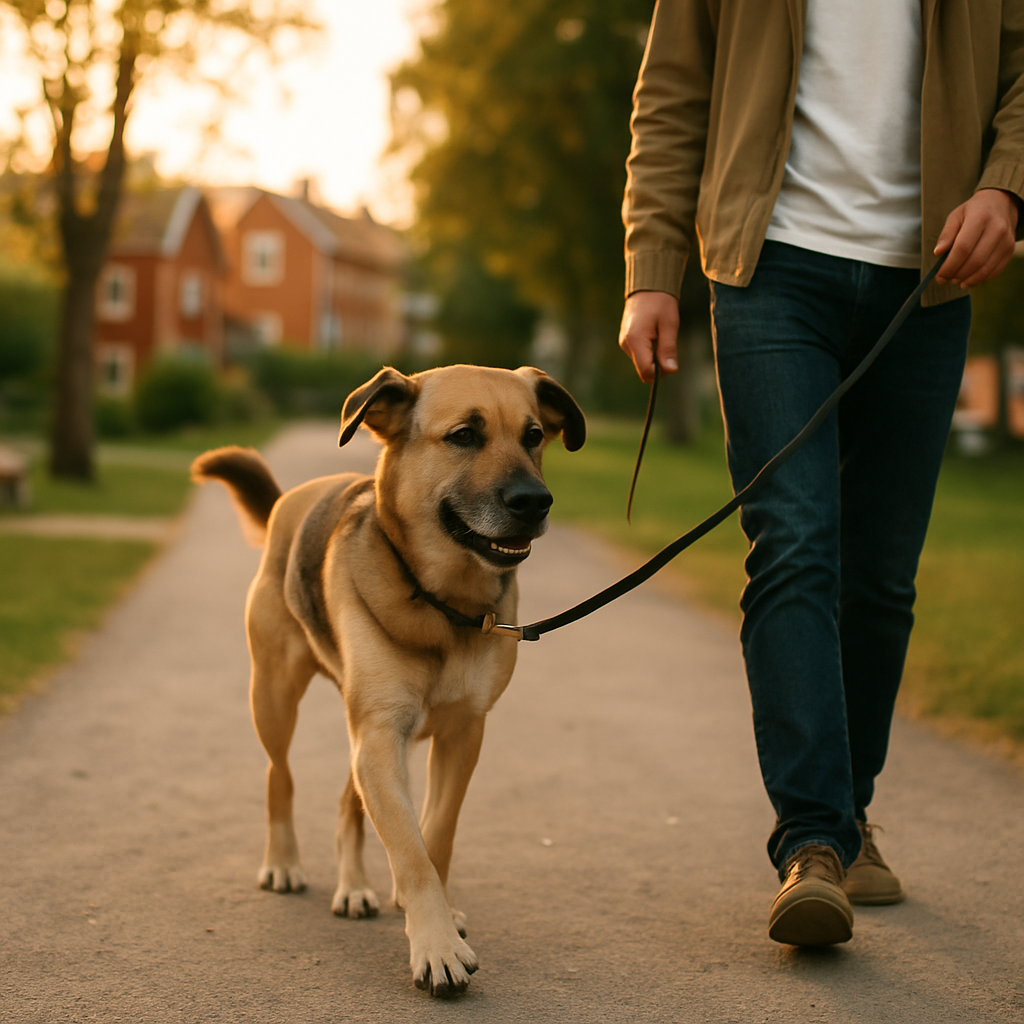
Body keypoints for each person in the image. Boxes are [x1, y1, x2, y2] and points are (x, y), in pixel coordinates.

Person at [619, 0, 1024, 947]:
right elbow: (672, 95)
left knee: (881, 575)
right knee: (795, 540)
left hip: (929, 275)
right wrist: (651, 268)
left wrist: (1005, 187)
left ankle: (848, 815)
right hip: (767, 270)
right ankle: (812, 843)